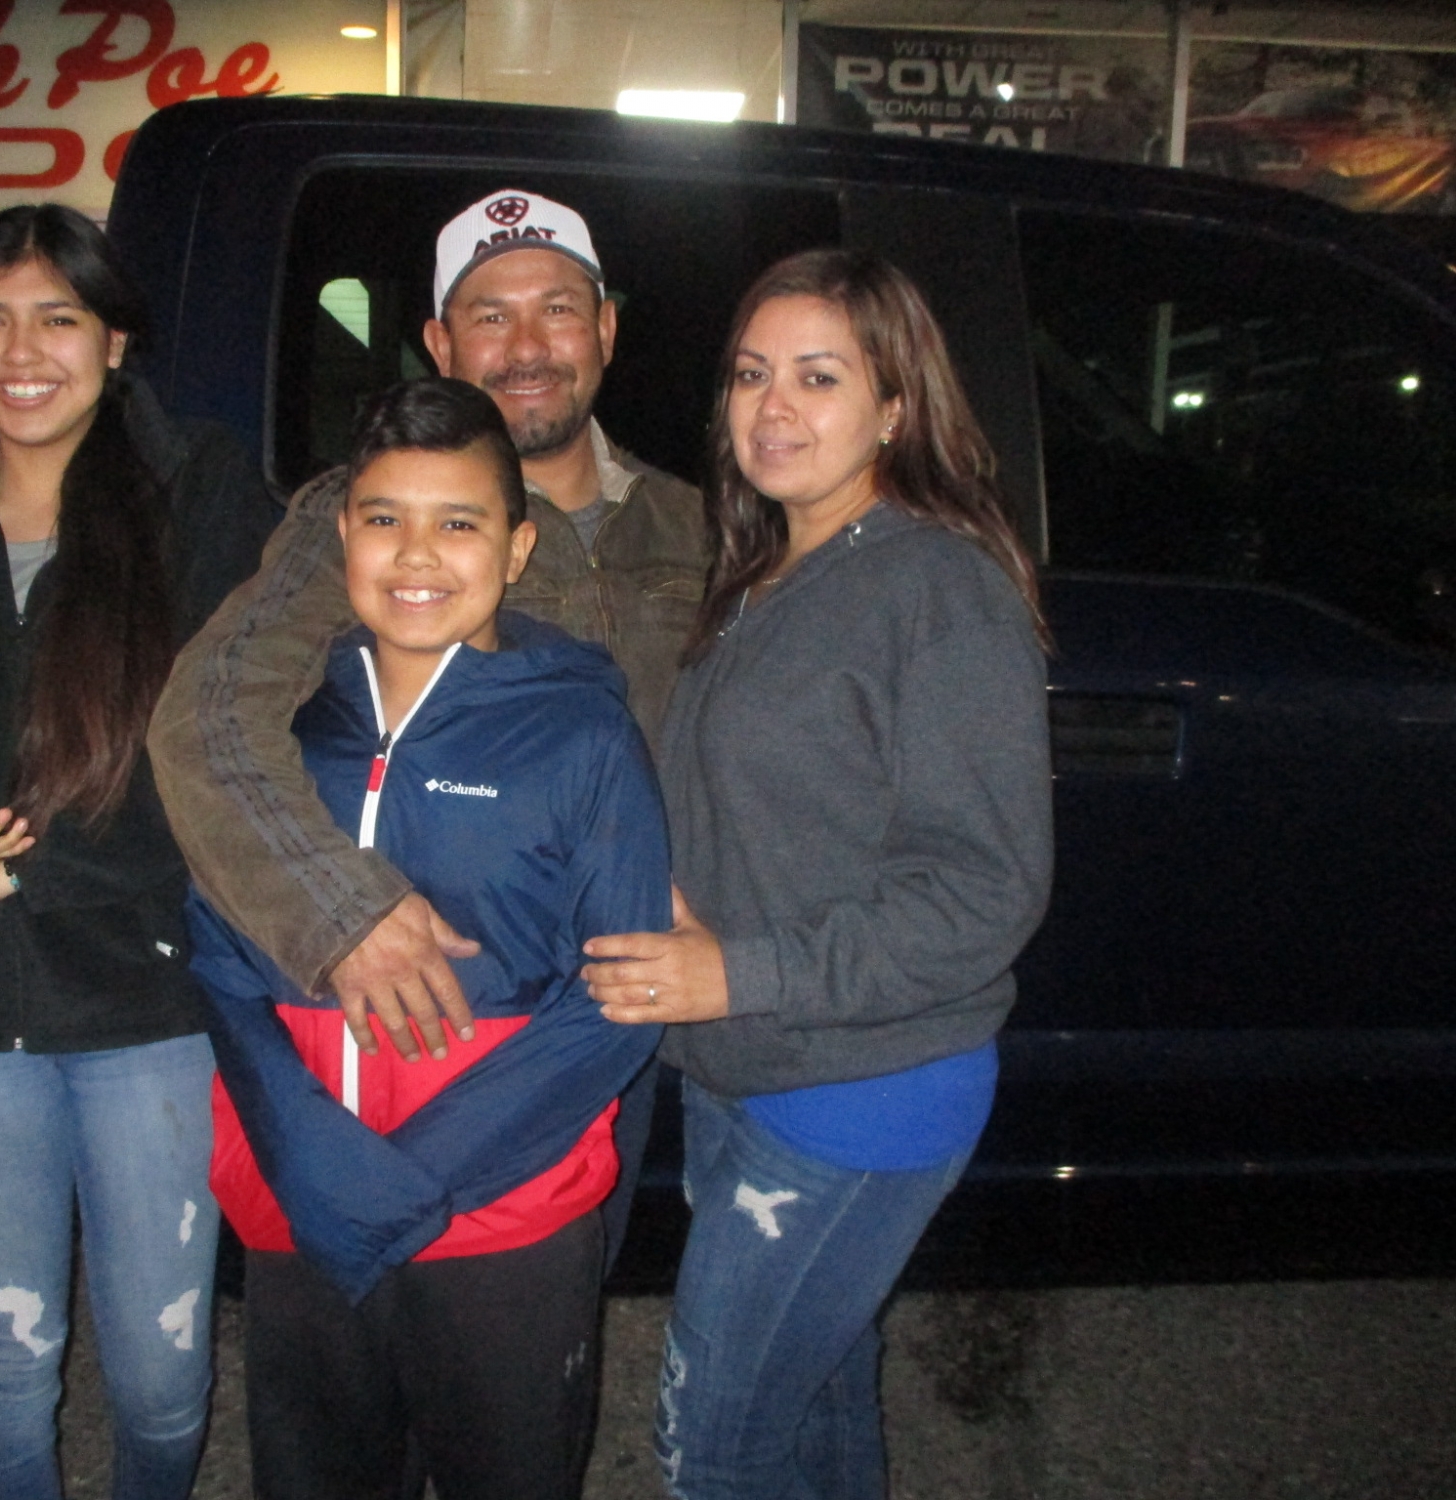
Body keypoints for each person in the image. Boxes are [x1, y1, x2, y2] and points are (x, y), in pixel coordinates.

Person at [147, 186, 704, 1262]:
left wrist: (723, 913)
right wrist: (337, 910)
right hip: (427, 1010)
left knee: (555, 1291)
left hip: (614, 1012)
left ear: (605, 328)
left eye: (557, 308)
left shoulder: (695, 524)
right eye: (489, 315)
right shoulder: (356, 519)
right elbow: (210, 717)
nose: (527, 346)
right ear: (440, 345)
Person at [580, 248, 1055, 1499]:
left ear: (894, 405)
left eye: (817, 376)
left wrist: (736, 971)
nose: (772, 407)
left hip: (864, 1083)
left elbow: (984, 891)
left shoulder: (934, 586)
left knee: (711, 1444)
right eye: (749, 375)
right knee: (819, 1399)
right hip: (749, 1066)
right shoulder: (766, 570)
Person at [0, 203, 277, 1500]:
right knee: (6, 1358)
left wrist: (21, 868)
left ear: (114, 340)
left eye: (56, 318)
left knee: (162, 1374)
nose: (20, 352)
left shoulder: (201, 493)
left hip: (146, 1003)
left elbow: (225, 751)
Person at [187, 377, 670, 1500]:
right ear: (342, 539)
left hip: (500, 1221)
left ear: (516, 548)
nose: (416, 555)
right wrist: (306, 1154)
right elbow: (214, 938)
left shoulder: (583, 735)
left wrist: (412, 1180)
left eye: (458, 522)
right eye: (383, 518)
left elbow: (617, 996)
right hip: (301, 1209)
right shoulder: (283, 729)